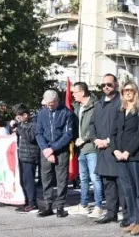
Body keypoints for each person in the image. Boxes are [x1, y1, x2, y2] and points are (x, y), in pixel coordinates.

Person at [111, 81, 139, 235]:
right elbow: (114, 133)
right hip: (119, 156)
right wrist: (115, 151)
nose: (127, 93)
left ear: (136, 92)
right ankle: (133, 219)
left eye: (130, 90)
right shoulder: (120, 110)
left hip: (133, 156)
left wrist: (128, 151)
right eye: (124, 91)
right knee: (127, 190)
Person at [35, 90, 75, 218]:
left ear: (58, 100)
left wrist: (53, 148)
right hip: (45, 150)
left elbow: (68, 134)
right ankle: (48, 206)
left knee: (61, 179)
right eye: (47, 104)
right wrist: (46, 149)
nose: (50, 106)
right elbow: (39, 133)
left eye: (52, 104)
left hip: (61, 150)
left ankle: (60, 207)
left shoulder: (67, 113)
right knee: (46, 178)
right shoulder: (41, 113)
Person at [91, 74, 123, 224]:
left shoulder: (121, 102)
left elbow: (121, 126)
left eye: (109, 84)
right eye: (103, 85)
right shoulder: (99, 104)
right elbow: (92, 125)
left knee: (121, 184)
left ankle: (128, 215)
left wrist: (108, 141)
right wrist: (95, 139)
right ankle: (111, 213)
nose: (106, 87)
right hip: (101, 150)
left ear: (116, 85)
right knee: (108, 184)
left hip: (115, 149)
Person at [69, 82, 102, 217]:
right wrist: (77, 138)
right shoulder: (77, 106)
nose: (72, 95)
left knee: (95, 178)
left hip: (91, 147)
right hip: (80, 148)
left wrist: (86, 138)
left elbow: (96, 126)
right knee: (83, 179)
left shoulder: (96, 105)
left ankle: (99, 206)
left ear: (82, 92)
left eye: (75, 92)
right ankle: (83, 204)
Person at [14, 105, 39, 213]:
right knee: (22, 180)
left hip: (30, 155)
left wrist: (18, 129)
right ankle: (26, 201)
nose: (18, 119)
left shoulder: (34, 123)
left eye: (19, 117)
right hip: (22, 155)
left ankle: (33, 203)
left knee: (29, 181)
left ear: (25, 114)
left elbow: (31, 137)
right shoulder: (22, 124)